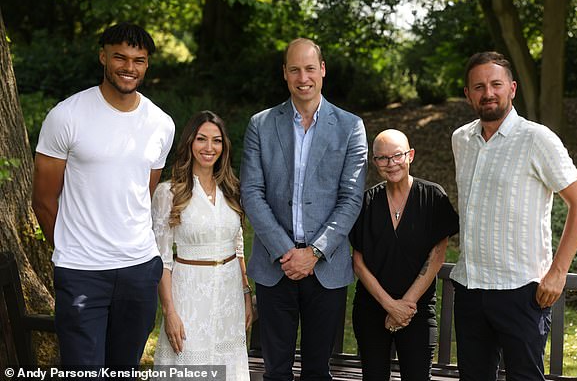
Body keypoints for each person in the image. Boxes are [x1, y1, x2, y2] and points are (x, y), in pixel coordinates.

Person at [31, 22, 175, 370]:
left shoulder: (161, 124)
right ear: (103, 57)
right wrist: (71, 246)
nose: (129, 67)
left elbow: (144, 190)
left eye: (138, 60)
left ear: (147, 64)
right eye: (120, 57)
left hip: (140, 270)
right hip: (82, 271)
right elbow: (43, 200)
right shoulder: (66, 116)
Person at [450, 51, 577, 381]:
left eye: (496, 84)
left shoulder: (537, 139)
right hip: (470, 288)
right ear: (468, 94)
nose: (489, 93)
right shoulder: (461, 140)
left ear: (512, 88)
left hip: (521, 291)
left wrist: (558, 273)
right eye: (479, 86)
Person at [240, 38, 368, 381]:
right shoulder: (261, 124)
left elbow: (351, 198)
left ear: (322, 70)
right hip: (274, 266)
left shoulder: (350, 126)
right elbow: (252, 193)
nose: (303, 77)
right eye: (294, 69)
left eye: (310, 68)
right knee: (275, 370)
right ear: (285, 74)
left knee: (317, 371)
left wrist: (313, 252)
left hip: (325, 268)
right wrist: (287, 252)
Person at [350, 129, 459, 381]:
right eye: (382, 158)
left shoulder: (433, 197)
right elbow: (358, 261)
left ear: (410, 155)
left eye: (397, 155)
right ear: (374, 162)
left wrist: (404, 308)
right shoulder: (366, 202)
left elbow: (437, 255)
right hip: (371, 309)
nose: (391, 164)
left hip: (417, 310)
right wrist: (390, 306)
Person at [151, 111, 252, 379]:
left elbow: (238, 244)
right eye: (202, 139)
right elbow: (162, 259)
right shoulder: (168, 193)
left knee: (228, 367)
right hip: (189, 296)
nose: (209, 148)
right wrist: (169, 311)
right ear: (189, 143)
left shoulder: (232, 189)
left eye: (217, 141)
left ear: (224, 146)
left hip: (230, 296)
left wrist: (245, 294)